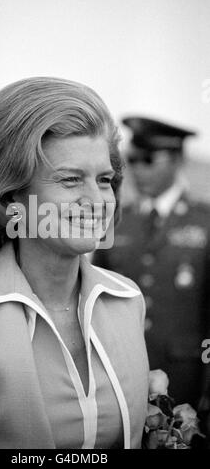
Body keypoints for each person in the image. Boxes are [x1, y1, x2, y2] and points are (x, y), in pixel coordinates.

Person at [0, 77, 149, 449]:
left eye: (104, 180)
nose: (96, 199)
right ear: (9, 197)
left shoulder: (127, 300)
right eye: (70, 180)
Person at [93, 116, 210, 407]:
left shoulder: (205, 221)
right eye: (131, 160)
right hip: (122, 378)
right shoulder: (117, 221)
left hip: (187, 381)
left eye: (148, 160)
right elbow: (96, 301)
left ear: (176, 159)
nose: (138, 170)